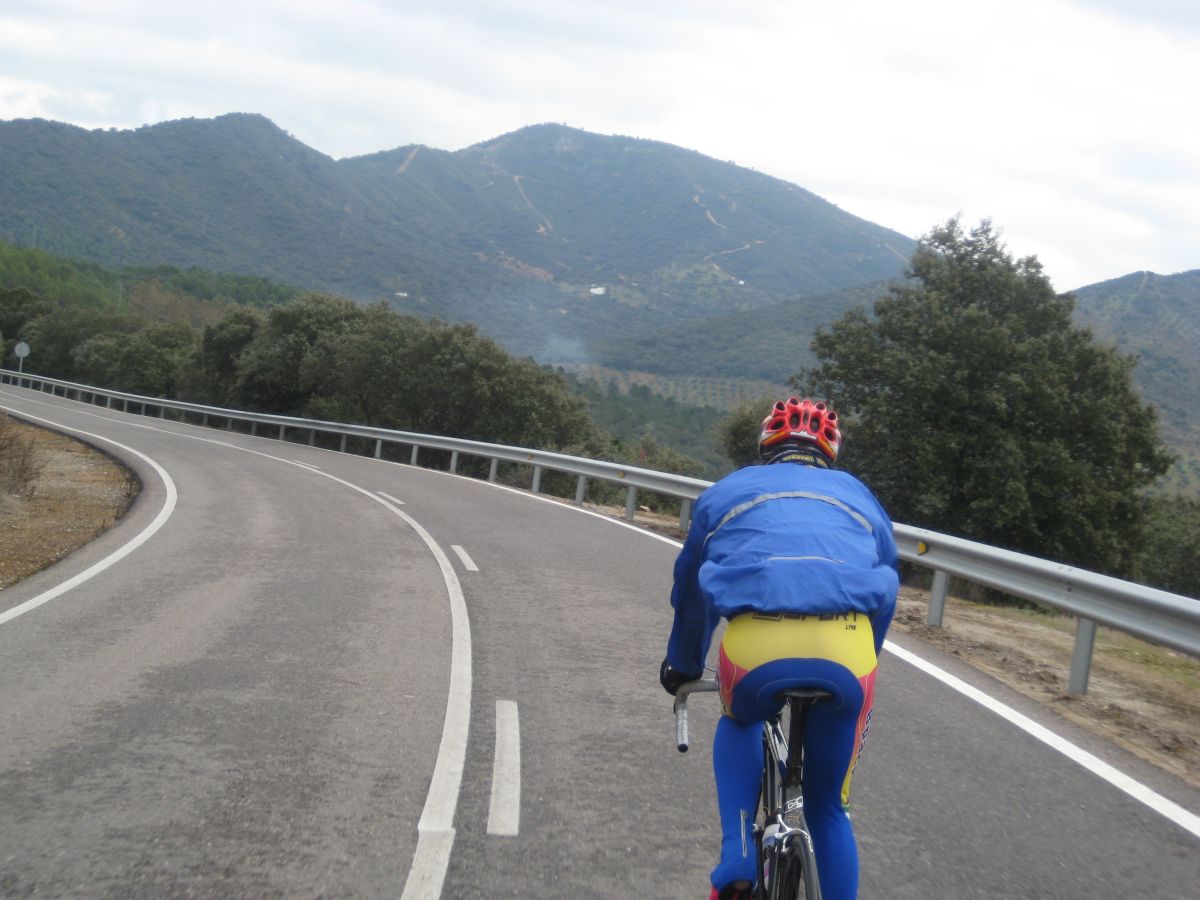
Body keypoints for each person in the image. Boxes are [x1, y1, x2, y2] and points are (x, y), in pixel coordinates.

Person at [660, 397, 899, 900]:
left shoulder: (727, 490)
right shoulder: (859, 495)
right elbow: (888, 584)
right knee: (829, 809)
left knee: (740, 720)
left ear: (767, 443)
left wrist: (683, 664)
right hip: (848, 651)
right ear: (829, 452)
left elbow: (692, 595)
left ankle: (737, 855)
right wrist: (866, 664)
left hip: (757, 646)